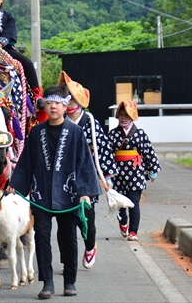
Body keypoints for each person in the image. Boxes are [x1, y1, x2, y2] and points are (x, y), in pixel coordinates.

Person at [6, 85, 102, 299]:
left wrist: (85, 192)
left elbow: (84, 164)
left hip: (68, 195)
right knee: (42, 236)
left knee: (68, 237)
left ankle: (70, 281)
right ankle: (47, 282)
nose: (52, 107)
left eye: (57, 103)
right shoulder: (36, 132)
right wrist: (16, 183)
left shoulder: (76, 133)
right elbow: (26, 162)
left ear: (65, 105)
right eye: (48, 103)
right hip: (42, 195)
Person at [59, 71, 118, 270]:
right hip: (62, 176)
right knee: (65, 221)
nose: (66, 102)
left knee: (87, 221)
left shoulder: (90, 122)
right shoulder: (58, 120)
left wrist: (106, 175)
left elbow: (103, 148)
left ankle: (90, 245)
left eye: (70, 97)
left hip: (86, 175)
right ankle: (68, 260)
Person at [108, 100, 161, 242]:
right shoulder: (112, 134)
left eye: (127, 114)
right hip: (118, 173)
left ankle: (133, 231)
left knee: (134, 202)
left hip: (135, 172)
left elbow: (149, 151)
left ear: (132, 116)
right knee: (119, 202)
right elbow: (107, 155)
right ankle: (123, 222)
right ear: (117, 116)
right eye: (121, 114)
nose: (123, 117)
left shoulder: (140, 134)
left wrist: (152, 169)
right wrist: (107, 174)